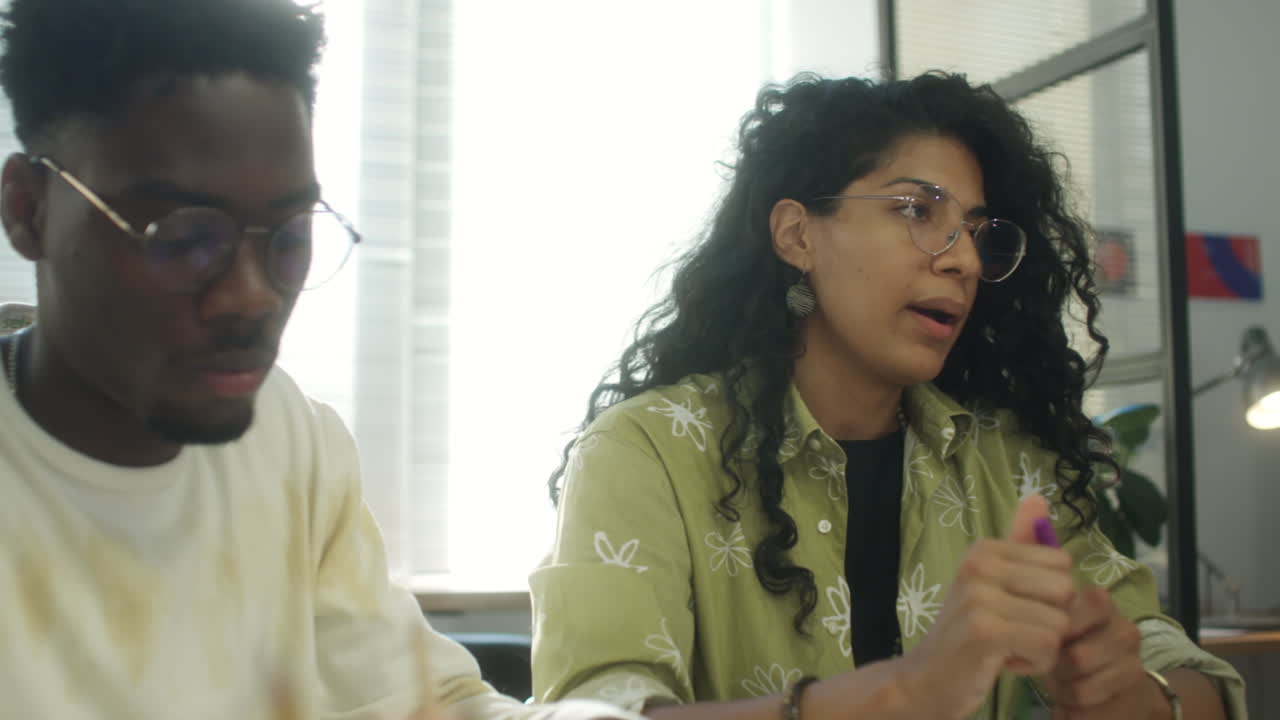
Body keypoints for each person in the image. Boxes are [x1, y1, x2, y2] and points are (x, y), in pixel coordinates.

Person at [530, 73, 1246, 720]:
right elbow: (598, 709)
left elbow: (1187, 672)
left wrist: (1134, 697)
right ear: (797, 235)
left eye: (976, 231)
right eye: (915, 209)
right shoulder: (645, 453)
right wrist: (905, 693)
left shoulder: (1008, 463)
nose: (962, 259)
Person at [0, 1, 642, 719]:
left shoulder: (288, 437)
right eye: (182, 239)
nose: (250, 296)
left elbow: (425, 708)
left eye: (290, 235)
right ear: (28, 210)